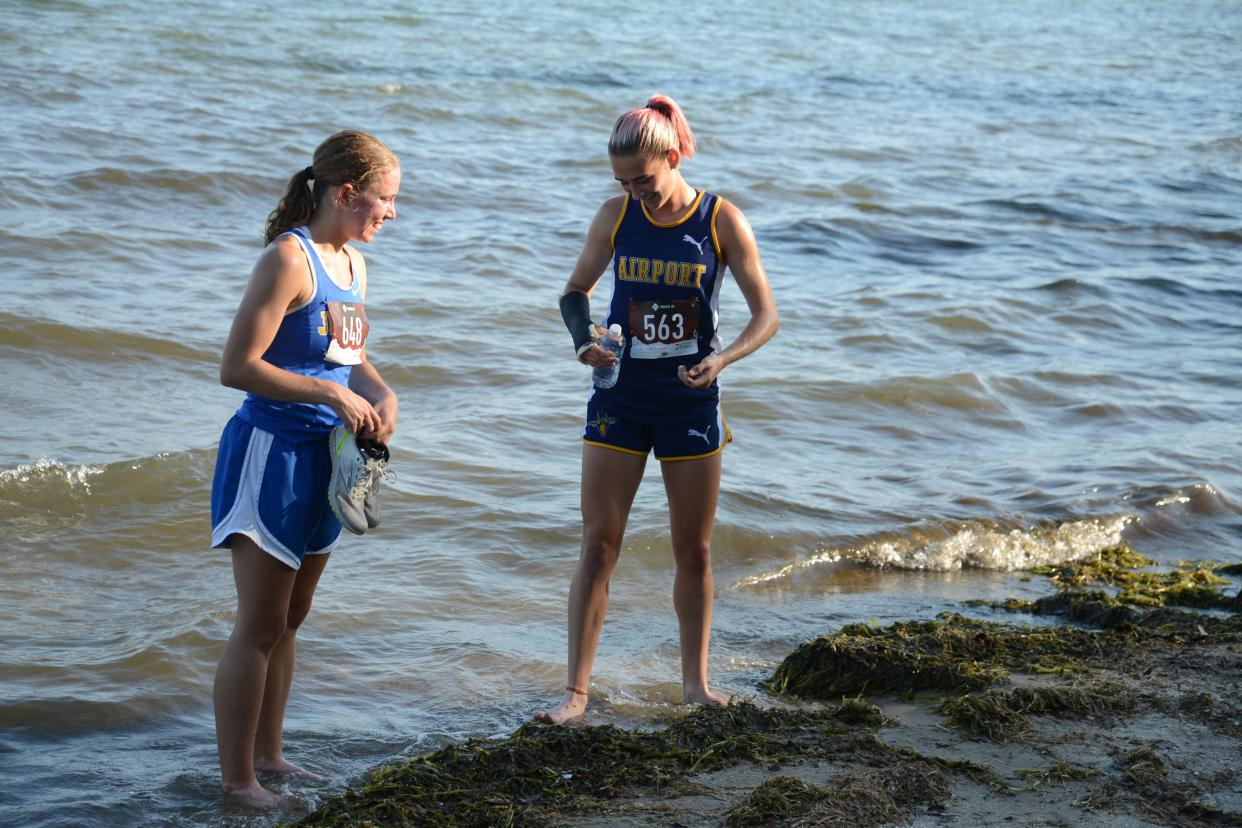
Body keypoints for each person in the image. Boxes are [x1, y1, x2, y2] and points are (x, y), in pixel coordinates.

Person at [536, 95, 779, 724]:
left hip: (690, 404)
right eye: (623, 182)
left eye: (643, 178)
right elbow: (573, 292)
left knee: (693, 551)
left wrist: (722, 361)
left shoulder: (721, 220)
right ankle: (576, 694)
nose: (635, 192)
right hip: (620, 397)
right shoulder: (616, 217)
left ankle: (695, 687)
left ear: (673, 157)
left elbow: (767, 317)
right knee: (598, 546)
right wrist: (584, 340)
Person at [209, 130, 400, 806]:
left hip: (328, 459)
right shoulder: (287, 260)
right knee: (259, 624)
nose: (393, 212)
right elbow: (238, 367)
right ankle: (238, 782)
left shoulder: (351, 261)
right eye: (385, 199)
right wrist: (330, 392)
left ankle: (271, 756)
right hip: (270, 456)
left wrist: (377, 391)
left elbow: (345, 357)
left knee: (292, 618)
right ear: (345, 194)